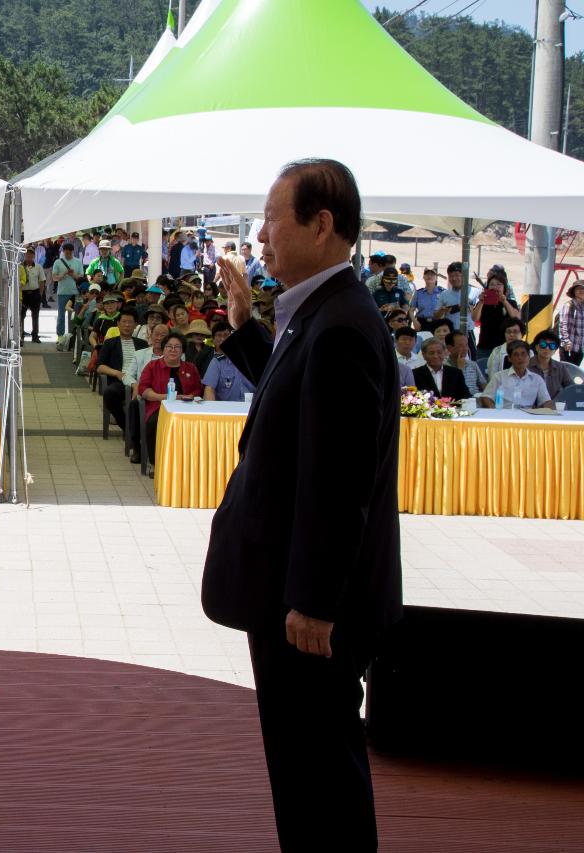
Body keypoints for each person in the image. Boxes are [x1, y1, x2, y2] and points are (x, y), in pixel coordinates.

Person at [205, 159, 401, 853]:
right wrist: (245, 326)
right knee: (302, 771)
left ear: (321, 224)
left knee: (320, 775)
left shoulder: (341, 324)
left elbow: (338, 478)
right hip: (293, 596)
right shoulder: (320, 313)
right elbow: (299, 408)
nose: (259, 236)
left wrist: (314, 601)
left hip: (311, 611)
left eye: (271, 218)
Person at [137, 332, 201, 458]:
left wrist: (188, 397)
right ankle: (155, 461)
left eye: (177, 347)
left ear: (182, 350)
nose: (173, 350)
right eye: (169, 346)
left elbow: (198, 389)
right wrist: (166, 397)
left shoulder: (190, 368)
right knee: (154, 423)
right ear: (163, 349)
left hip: (186, 407)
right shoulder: (152, 366)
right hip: (158, 406)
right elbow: (143, 389)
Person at [95, 308, 148, 431]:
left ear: (135, 325)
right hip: (119, 382)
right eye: (124, 322)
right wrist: (117, 373)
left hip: (140, 381)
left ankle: (138, 430)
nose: (127, 325)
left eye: (130, 322)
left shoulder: (142, 344)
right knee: (109, 393)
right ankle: (128, 427)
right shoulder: (110, 343)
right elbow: (100, 366)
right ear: (118, 324)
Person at [479, 340, 551, 408]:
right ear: (509, 358)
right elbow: (486, 397)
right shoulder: (499, 377)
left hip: (527, 416)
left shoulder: (537, 379)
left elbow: (546, 401)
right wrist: (495, 412)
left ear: (529, 357)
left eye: (523, 354)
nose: (520, 358)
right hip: (504, 415)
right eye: (516, 355)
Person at [201, 322, 255, 402]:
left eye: (226, 335)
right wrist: (212, 411)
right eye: (219, 335)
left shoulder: (251, 361)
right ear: (213, 339)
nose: (223, 339)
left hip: (252, 409)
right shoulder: (217, 362)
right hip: (227, 411)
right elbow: (209, 390)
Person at [474, 269, 520, 362]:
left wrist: (504, 301)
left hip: (505, 347)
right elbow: (475, 318)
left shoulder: (510, 302)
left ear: (504, 288)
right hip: (485, 347)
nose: (495, 287)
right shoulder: (483, 303)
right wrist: (481, 302)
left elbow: (516, 318)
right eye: (492, 284)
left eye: (499, 284)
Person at [528, 329, 574, 399]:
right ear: (536, 347)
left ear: (555, 350)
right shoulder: (526, 365)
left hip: (555, 407)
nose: (547, 348)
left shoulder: (560, 367)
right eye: (543, 345)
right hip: (530, 407)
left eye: (552, 346)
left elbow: (571, 389)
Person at [53, 242, 84, 339]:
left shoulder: (78, 262)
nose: (68, 254)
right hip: (62, 292)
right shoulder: (58, 262)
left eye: (69, 253)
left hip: (75, 292)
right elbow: (54, 278)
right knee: (61, 315)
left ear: (72, 252)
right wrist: (64, 274)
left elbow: (81, 277)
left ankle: (73, 335)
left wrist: (73, 275)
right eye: (66, 252)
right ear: (63, 252)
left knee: (74, 314)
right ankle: (60, 335)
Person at [445, 330, 487, 398]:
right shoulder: (444, 366)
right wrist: (460, 369)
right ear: (450, 348)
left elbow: (483, 384)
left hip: (476, 400)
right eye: (460, 345)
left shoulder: (473, 364)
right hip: (458, 401)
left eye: (466, 345)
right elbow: (451, 389)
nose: (465, 349)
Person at [19, 247, 45, 342]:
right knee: (21, 315)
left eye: (31, 254)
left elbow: (42, 281)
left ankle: (35, 335)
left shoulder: (38, 266)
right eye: (27, 254)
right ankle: (21, 335)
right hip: (23, 294)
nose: (29, 256)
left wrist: (40, 294)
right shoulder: (20, 266)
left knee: (35, 315)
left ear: (34, 256)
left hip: (35, 293)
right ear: (24, 255)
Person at [410, 266, 445, 333]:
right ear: (423, 277)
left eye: (432, 274)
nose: (429, 276)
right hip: (422, 323)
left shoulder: (442, 292)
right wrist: (414, 321)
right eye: (427, 274)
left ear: (436, 278)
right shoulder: (418, 293)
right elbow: (411, 310)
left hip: (438, 323)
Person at [560, 282, 584, 365]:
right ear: (574, 292)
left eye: (583, 288)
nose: (581, 291)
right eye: (578, 289)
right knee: (565, 372)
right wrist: (566, 341)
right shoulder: (569, 305)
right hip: (568, 347)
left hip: (580, 348)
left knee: (574, 374)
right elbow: (563, 325)